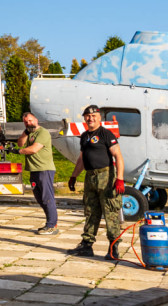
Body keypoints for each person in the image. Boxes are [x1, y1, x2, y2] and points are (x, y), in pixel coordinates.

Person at [66, 105, 125, 259]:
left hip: (106, 176)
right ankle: (86, 245)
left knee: (110, 212)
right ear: (84, 118)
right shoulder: (85, 136)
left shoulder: (106, 134)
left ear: (99, 118)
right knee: (91, 211)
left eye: (94, 116)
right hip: (90, 177)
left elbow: (118, 156)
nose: (90, 118)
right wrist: (74, 176)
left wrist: (119, 179)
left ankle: (113, 248)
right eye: (87, 116)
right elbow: (81, 159)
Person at [18, 112, 57, 234]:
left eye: (30, 121)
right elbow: (20, 143)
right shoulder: (29, 132)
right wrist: (25, 133)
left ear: (36, 119)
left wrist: (19, 151)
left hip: (44, 169)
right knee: (40, 199)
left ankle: (52, 225)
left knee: (47, 198)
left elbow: (34, 149)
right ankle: (49, 223)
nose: (29, 123)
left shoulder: (43, 133)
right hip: (34, 170)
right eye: (26, 122)